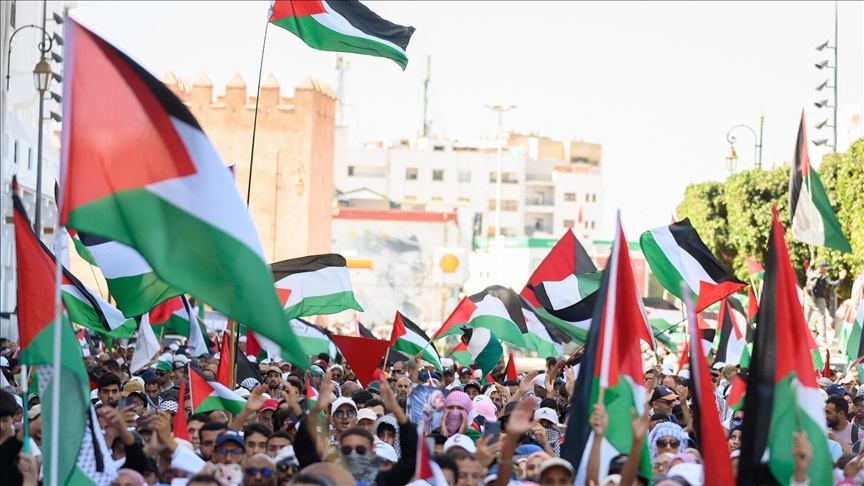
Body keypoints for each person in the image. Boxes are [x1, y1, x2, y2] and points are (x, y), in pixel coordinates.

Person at [805, 262, 847, 344]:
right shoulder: (822, 277)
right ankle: (823, 339)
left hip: (808, 298)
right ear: (820, 268)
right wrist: (841, 279)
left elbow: (808, 271)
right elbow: (833, 284)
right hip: (818, 299)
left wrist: (811, 265)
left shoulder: (810, 273)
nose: (826, 271)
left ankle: (802, 335)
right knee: (821, 318)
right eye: (825, 269)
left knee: (806, 317)